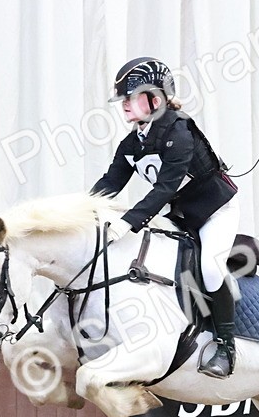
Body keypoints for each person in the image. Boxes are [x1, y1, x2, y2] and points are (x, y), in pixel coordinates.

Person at [90, 57, 240, 379]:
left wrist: (127, 221)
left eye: (131, 98)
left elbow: (165, 187)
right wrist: (82, 212)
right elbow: (110, 183)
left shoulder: (180, 131)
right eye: (124, 100)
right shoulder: (132, 143)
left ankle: (226, 347)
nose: (125, 106)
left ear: (155, 99)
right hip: (183, 215)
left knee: (211, 269)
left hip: (215, 211)